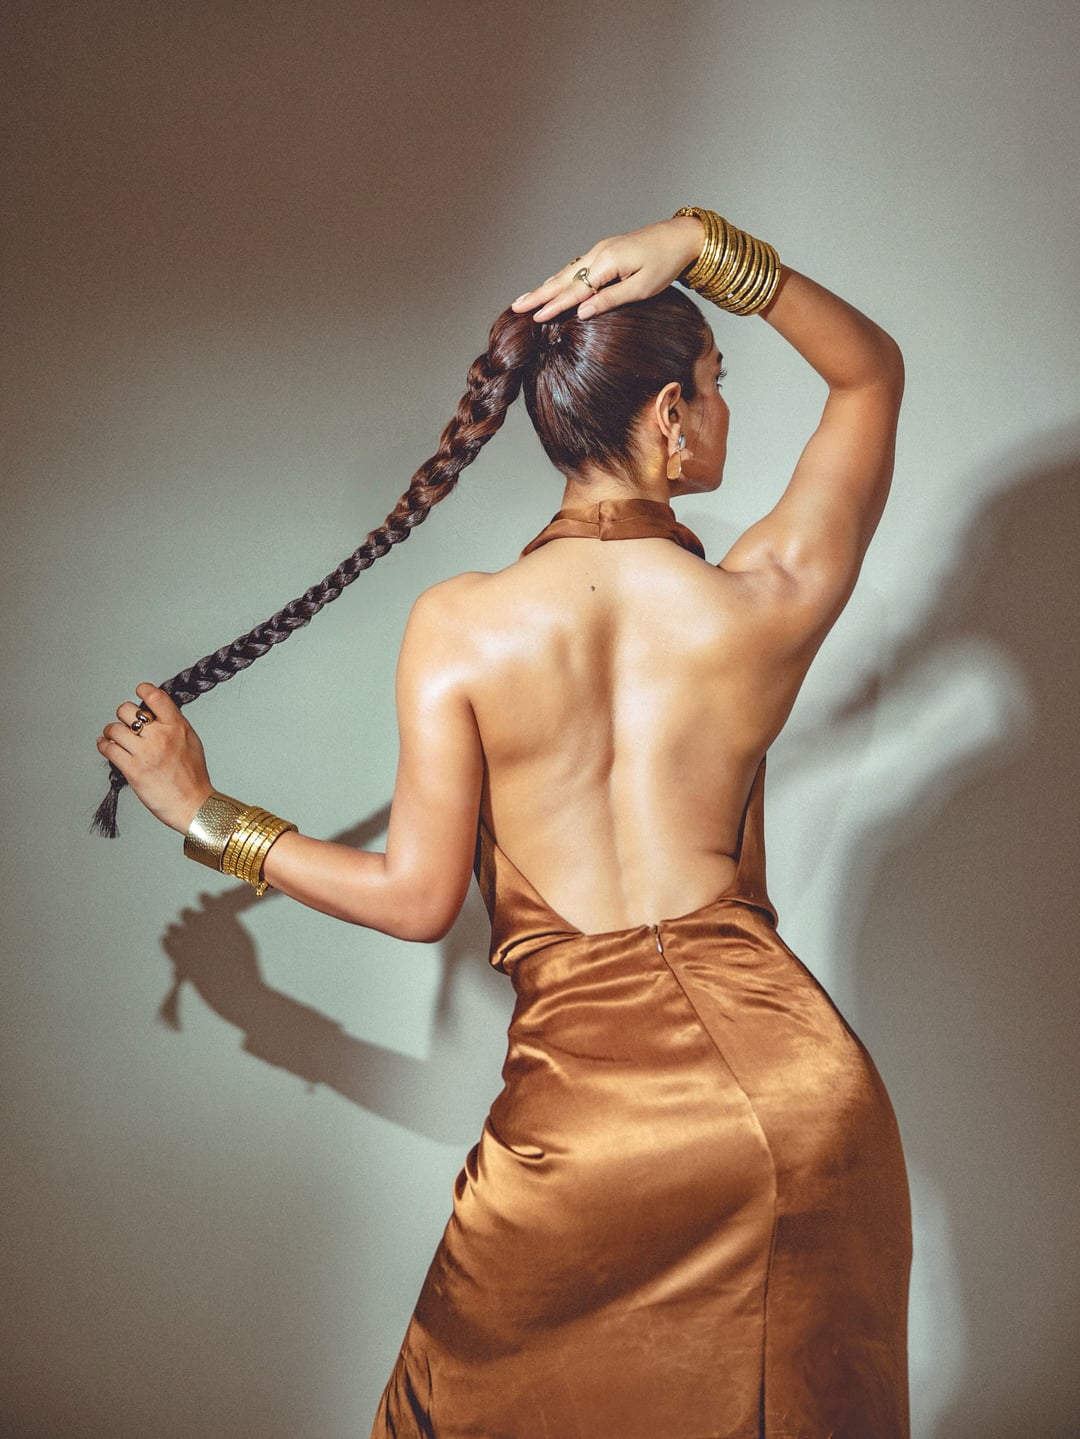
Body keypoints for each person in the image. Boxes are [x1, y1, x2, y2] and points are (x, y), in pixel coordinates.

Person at [97, 208, 910, 1439]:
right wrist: (701, 242)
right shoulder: (762, 599)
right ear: (671, 413)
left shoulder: (460, 625)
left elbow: (417, 901)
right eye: (718, 382)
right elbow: (869, 373)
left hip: (590, 1128)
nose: (726, 409)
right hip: (799, 1098)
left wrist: (206, 814)